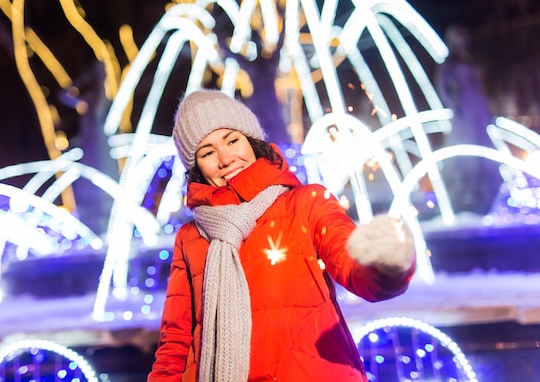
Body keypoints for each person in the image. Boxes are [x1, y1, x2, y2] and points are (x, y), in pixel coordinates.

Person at [147, 89, 416, 382]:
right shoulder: (191, 237)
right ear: (195, 167)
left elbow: (357, 274)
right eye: (208, 152)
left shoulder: (307, 202)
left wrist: (387, 263)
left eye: (233, 140)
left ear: (251, 141)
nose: (226, 158)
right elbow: (175, 339)